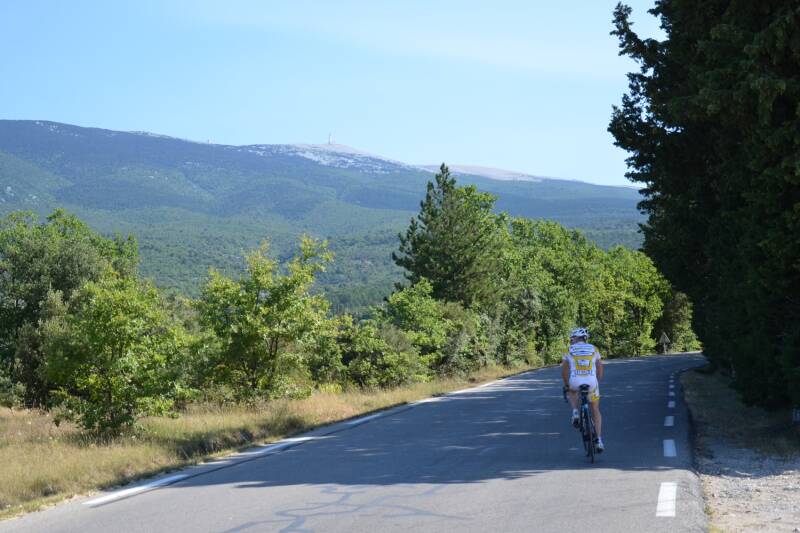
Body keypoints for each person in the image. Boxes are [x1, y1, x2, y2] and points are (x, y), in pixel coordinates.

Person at [562, 327, 604, 452]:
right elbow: (600, 369)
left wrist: (567, 385)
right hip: (591, 382)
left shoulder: (568, 350)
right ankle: (599, 441)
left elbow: (564, 371)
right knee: (595, 409)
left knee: (572, 390)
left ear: (574, 339)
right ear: (585, 338)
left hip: (575, 380)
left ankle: (575, 411)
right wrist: (597, 382)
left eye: (572, 339)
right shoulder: (594, 349)